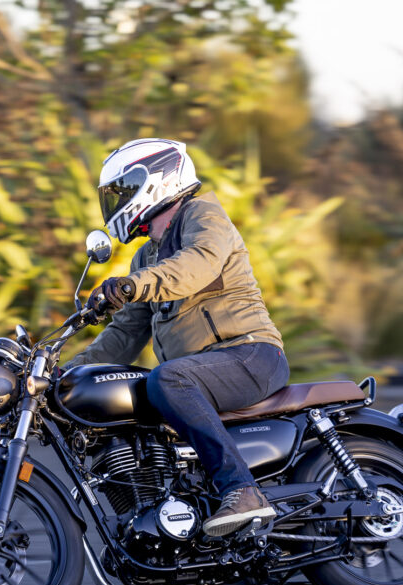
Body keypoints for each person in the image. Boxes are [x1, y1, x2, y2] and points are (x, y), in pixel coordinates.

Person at [67, 138, 290, 537]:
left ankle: (244, 490)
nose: (115, 203)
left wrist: (132, 285)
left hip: (249, 354)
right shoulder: (146, 256)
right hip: (206, 370)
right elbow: (122, 336)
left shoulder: (203, 214)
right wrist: (63, 375)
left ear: (155, 179)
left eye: (122, 191)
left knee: (167, 378)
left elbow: (196, 265)